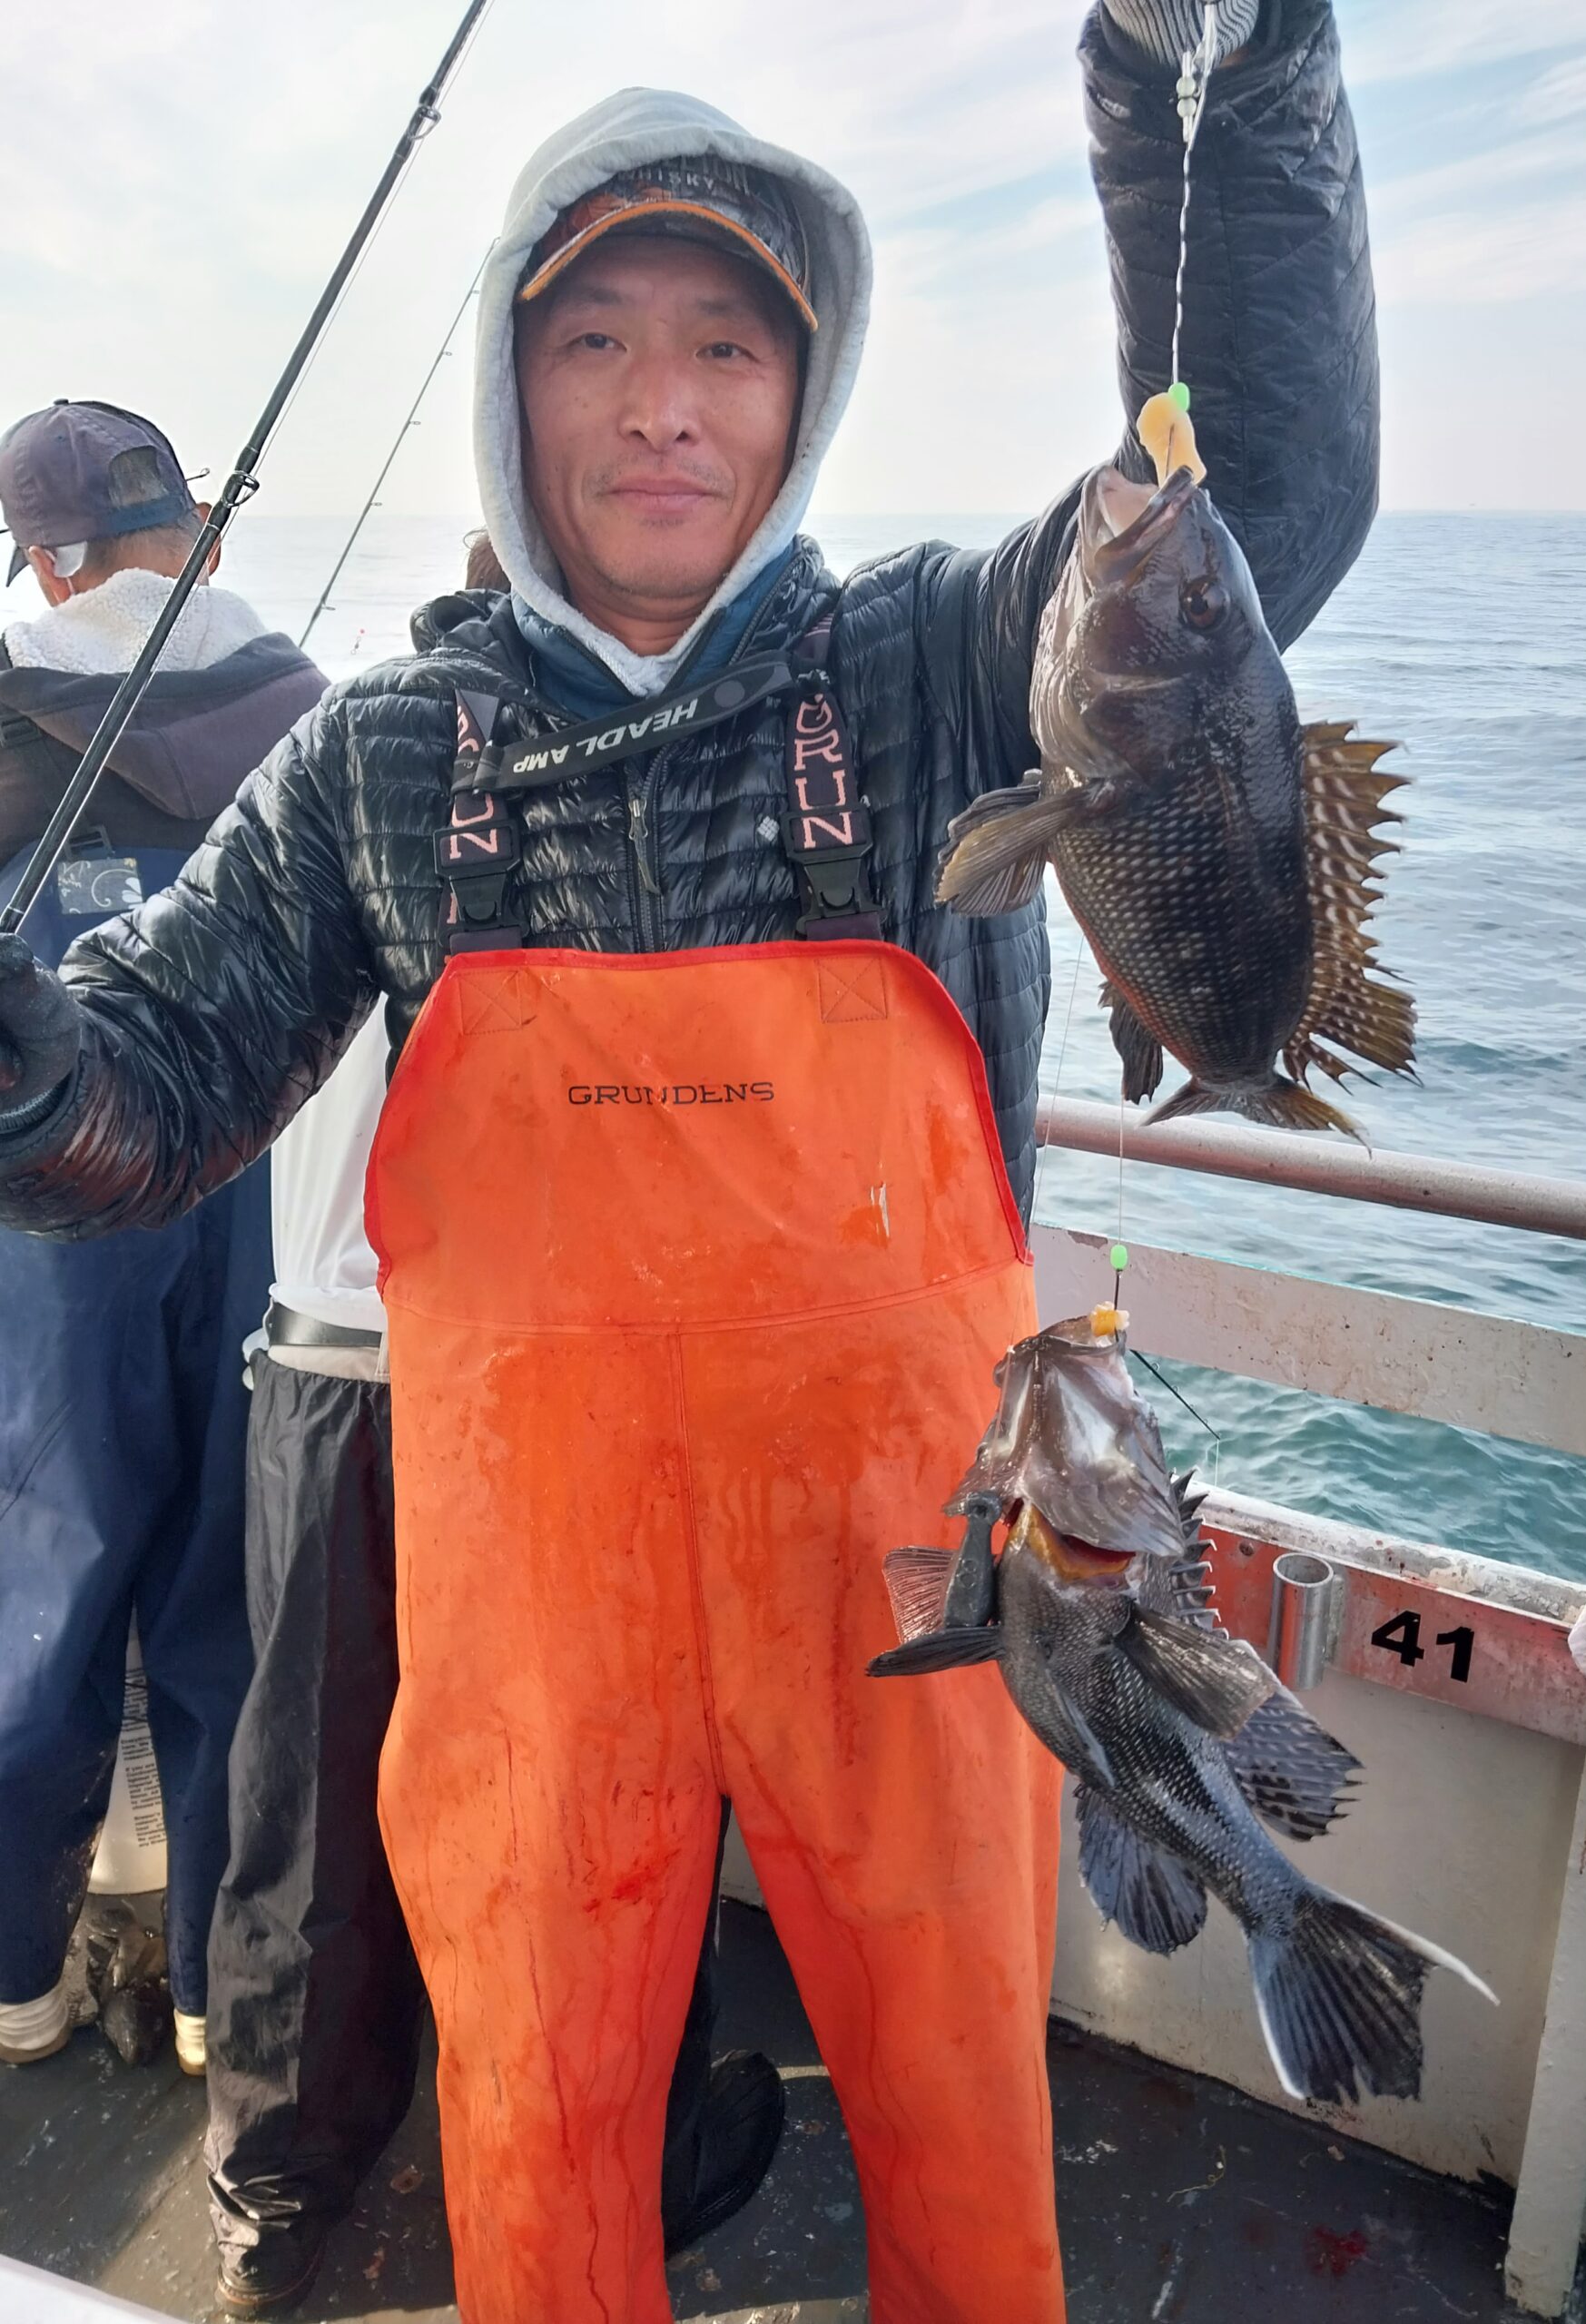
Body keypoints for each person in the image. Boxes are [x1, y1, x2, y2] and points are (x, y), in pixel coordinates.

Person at [0, 5, 1378, 2319]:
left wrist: (1195, 78)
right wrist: (35, 1071)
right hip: (535, 1622)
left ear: (802, 387)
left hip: (925, 1586)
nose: (664, 404)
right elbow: (149, 1093)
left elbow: (1262, 486)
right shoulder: (383, 754)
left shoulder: (946, 656)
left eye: (727, 346)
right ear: (509, 385)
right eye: (600, 341)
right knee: (534, 2133)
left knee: (958, 2113)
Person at [202, 536, 784, 2321]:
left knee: (312, 1804)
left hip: (329, 1371)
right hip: (555, 1407)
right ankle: (635, 2159)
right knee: (623, 1813)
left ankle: (280, 2184)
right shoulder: (637, 833)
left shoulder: (325, 786)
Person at [0, 400, 324, 2073]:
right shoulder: (313, 711)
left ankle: (19, 1980)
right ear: (193, 533)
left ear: (46, 563)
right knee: (233, 1608)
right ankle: (212, 1992)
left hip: (64, 1226)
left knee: (40, 1592)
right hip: (262, 1199)